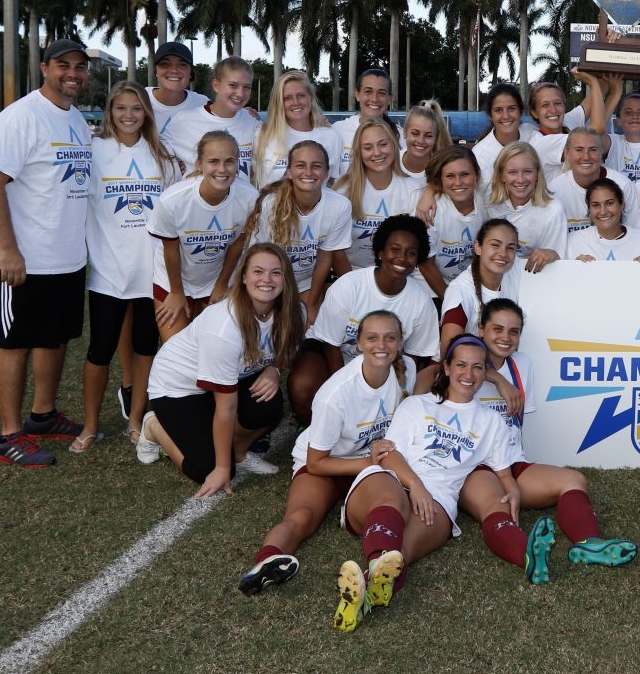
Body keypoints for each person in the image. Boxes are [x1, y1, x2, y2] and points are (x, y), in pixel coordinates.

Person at [331, 334, 530, 633]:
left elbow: (503, 473)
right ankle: (375, 567)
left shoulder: (491, 421)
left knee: (400, 554)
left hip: (438, 501)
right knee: (391, 498)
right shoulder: (417, 405)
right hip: (391, 481)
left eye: (477, 367)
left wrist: (512, 489)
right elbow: (388, 454)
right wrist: (416, 485)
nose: (469, 374)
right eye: (461, 365)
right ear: (446, 367)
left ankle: (367, 591)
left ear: (484, 372)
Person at [238, 310, 414, 595]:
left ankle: (380, 569)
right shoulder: (335, 394)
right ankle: (267, 561)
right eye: (372, 338)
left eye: (390, 338)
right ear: (358, 343)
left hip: (367, 463)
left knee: (387, 503)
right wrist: (367, 462)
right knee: (302, 515)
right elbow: (316, 463)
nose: (381, 345)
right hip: (326, 464)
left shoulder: (407, 371)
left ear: (400, 342)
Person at [457, 298, 638, 574]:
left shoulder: (522, 364)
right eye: (497, 329)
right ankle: (527, 557)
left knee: (573, 480)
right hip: (474, 467)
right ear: (481, 329)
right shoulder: (465, 366)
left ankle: (589, 544)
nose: (506, 338)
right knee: (497, 505)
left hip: (511, 461)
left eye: (514, 331)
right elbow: (441, 372)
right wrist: (497, 379)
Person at [0, 39, 92, 466]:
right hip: (26, 258)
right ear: (45, 69)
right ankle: (9, 435)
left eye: (79, 67)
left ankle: (42, 416)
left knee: (56, 337)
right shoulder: (21, 116)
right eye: (63, 65)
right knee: (16, 344)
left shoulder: (76, 118)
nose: (73, 74)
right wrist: (9, 250)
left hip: (68, 256)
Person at [136, 243, 305, 494]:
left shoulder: (295, 312)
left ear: (286, 278)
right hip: (178, 388)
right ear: (244, 277)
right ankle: (154, 427)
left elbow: (288, 348)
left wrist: (274, 370)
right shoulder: (224, 326)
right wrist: (222, 468)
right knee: (207, 468)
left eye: (276, 273)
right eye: (258, 271)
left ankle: (238, 453)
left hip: (228, 379)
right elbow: (226, 407)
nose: (267, 280)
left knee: (268, 405)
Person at [75, 81, 180, 453]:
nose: (129, 115)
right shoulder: (94, 149)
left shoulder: (162, 156)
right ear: (110, 111)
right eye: (121, 107)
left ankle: (135, 420)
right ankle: (90, 425)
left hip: (151, 273)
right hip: (107, 271)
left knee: (145, 347)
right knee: (99, 350)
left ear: (146, 112)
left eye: (136, 108)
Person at [294, 214, 439, 424]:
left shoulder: (422, 301)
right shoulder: (349, 286)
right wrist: (349, 391)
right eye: (395, 249)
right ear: (380, 252)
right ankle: (312, 427)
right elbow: (331, 344)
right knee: (303, 386)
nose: (401, 258)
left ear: (417, 259)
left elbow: (414, 357)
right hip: (330, 350)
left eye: (411, 253)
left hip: (382, 360)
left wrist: (398, 391)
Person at [147, 131, 258, 342]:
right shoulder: (173, 200)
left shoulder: (249, 198)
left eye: (229, 161)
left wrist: (221, 285)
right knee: (176, 349)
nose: (222, 169)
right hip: (173, 280)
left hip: (217, 278)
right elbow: (171, 249)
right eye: (213, 161)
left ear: (238, 164)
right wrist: (177, 292)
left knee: (213, 346)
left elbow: (238, 244)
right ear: (199, 164)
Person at [243, 141, 352, 326]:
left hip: (305, 283)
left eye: (316, 166)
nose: (308, 172)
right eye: (300, 165)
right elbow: (261, 258)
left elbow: (324, 258)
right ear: (289, 172)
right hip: (270, 278)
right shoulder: (271, 204)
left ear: (327, 173)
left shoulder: (340, 206)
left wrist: (312, 304)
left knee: (308, 327)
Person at [334, 119, 420, 271]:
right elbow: (335, 250)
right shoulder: (343, 191)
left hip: (397, 274)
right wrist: (352, 282)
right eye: (368, 147)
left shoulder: (412, 189)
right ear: (359, 152)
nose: (377, 152)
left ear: (393, 145)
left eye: (383, 144)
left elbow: (415, 246)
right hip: (351, 274)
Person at [164, 56, 260, 180]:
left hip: (240, 193)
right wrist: (175, 167)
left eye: (247, 87)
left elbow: (252, 169)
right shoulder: (183, 121)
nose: (240, 93)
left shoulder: (252, 122)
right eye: (233, 85)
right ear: (216, 85)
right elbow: (156, 153)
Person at [439, 218, 522, 353]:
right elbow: (448, 352)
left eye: (510, 248)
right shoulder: (460, 291)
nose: (503, 254)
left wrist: (551, 255)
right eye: (495, 245)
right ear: (478, 247)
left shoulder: (516, 269)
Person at [482, 142, 566, 272]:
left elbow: (555, 262)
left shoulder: (553, 210)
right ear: (501, 175)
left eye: (527, 172)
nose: (520, 180)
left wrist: (550, 254)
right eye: (512, 172)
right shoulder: (488, 202)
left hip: (533, 277)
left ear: (537, 174)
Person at [253, 70, 342, 187]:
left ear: (311, 97)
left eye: (301, 96)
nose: (295, 102)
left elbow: (334, 183)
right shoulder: (262, 135)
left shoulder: (331, 136)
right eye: (287, 98)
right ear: (278, 102)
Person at [416, 146, 483, 298]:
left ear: (477, 175)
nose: (458, 182)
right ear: (440, 179)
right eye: (450, 176)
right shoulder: (431, 211)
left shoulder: (485, 202)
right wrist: (450, 300)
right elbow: (426, 264)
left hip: (470, 286)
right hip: (434, 288)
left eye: (465, 174)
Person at [549, 126, 640, 234]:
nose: (586, 157)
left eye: (593, 150)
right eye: (579, 150)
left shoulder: (622, 185)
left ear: (601, 152)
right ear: (567, 153)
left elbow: (634, 234)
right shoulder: (553, 191)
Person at [525, 74, 605, 182]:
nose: (553, 110)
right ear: (534, 113)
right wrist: (593, 82)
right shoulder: (542, 143)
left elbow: (599, 92)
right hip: (558, 194)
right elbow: (598, 129)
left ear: (564, 105)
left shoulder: (566, 122)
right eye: (545, 105)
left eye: (557, 103)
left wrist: (613, 89)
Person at [567, 178, 640, 262]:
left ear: (622, 204)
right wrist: (573, 268)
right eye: (596, 205)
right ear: (589, 209)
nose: (603, 212)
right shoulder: (574, 241)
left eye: (609, 203)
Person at [334, 68, 397, 179]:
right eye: (368, 92)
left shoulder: (400, 136)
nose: (374, 99)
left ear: (390, 98)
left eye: (381, 93)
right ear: (357, 94)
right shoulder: (337, 130)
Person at [472, 83, 534, 191]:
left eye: (512, 109)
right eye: (498, 110)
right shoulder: (479, 155)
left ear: (521, 111)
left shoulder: (533, 134)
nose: (506, 116)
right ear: (490, 115)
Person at [147, 41, 208, 144]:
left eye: (182, 64)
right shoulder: (139, 98)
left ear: (190, 72)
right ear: (156, 70)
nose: (174, 70)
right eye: (165, 64)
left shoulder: (203, 104)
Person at [399, 100, 453, 188]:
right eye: (415, 133)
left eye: (428, 136)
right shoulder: (391, 162)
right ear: (404, 132)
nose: (421, 141)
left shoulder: (443, 169)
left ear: (436, 137)